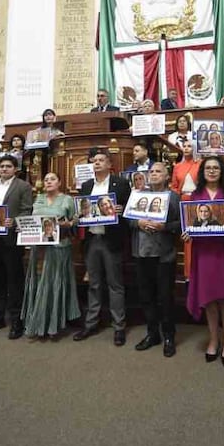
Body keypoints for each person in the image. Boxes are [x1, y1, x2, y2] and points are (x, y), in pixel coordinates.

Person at [183, 156, 224, 367]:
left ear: (222, 171)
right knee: (209, 298)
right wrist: (187, 232)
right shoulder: (194, 196)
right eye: (208, 168)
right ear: (202, 172)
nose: (211, 171)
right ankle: (213, 338)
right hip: (203, 253)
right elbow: (190, 222)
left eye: (215, 168)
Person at [73, 148, 131, 346]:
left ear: (109, 164)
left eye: (100, 160)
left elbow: (130, 209)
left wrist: (121, 210)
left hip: (111, 239)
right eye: (94, 160)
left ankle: (119, 327)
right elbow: (82, 210)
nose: (96, 163)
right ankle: (90, 324)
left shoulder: (121, 184)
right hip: (91, 239)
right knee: (94, 284)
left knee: (115, 284)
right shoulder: (87, 185)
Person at [0, 155, 34, 339]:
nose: (4, 169)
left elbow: (27, 210)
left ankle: (17, 321)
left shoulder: (23, 186)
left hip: (11, 239)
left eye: (8, 166)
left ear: (15, 169)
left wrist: (15, 221)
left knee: (14, 280)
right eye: (1, 166)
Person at [130, 162, 181, 357]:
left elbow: (180, 223)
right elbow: (128, 219)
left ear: (167, 176)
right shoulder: (138, 195)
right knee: (146, 296)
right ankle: (152, 334)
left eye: (158, 171)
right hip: (141, 253)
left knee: (165, 297)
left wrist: (164, 227)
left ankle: (169, 336)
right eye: (151, 171)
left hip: (163, 255)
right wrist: (138, 222)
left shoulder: (173, 197)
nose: (154, 174)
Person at [21, 172, 80, 339]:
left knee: (55, 282)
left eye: (52, 179)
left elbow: (76, 221)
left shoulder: (67, 199)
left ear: (59, 182)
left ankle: (55, 324)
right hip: (39, 248)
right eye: (46, 179)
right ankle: (37, 321)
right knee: (39, 282)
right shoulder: (38, 198)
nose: (48, 182)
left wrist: (67, 223)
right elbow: (33, 219)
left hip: (59, 246)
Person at [171, 139, 200, 281]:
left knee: (194, 236)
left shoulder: (200, 165)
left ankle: (196, 271)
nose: (187, 148)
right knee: (186, 237)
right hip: (182, 201)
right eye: (185, 146)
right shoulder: (177, 166)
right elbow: (174, 187)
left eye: (189, 146)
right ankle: (188, 273)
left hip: (197, 202)